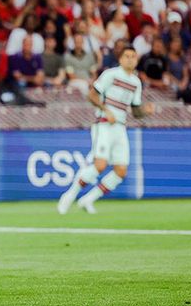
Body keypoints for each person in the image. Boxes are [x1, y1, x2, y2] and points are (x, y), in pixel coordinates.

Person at [57, 45, 154, 214]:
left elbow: (136, 111)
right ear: (121, 59)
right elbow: (92, 95)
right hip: (104, 124)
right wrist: (106, 110)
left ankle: (88, 199)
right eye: (127, 56)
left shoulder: (136, 82)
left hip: (120, 127)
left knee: (121, 171)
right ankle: (69, 195)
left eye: (133, 56)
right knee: (100, 165)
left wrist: (145, 111)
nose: (130, 59)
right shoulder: (111, 74)